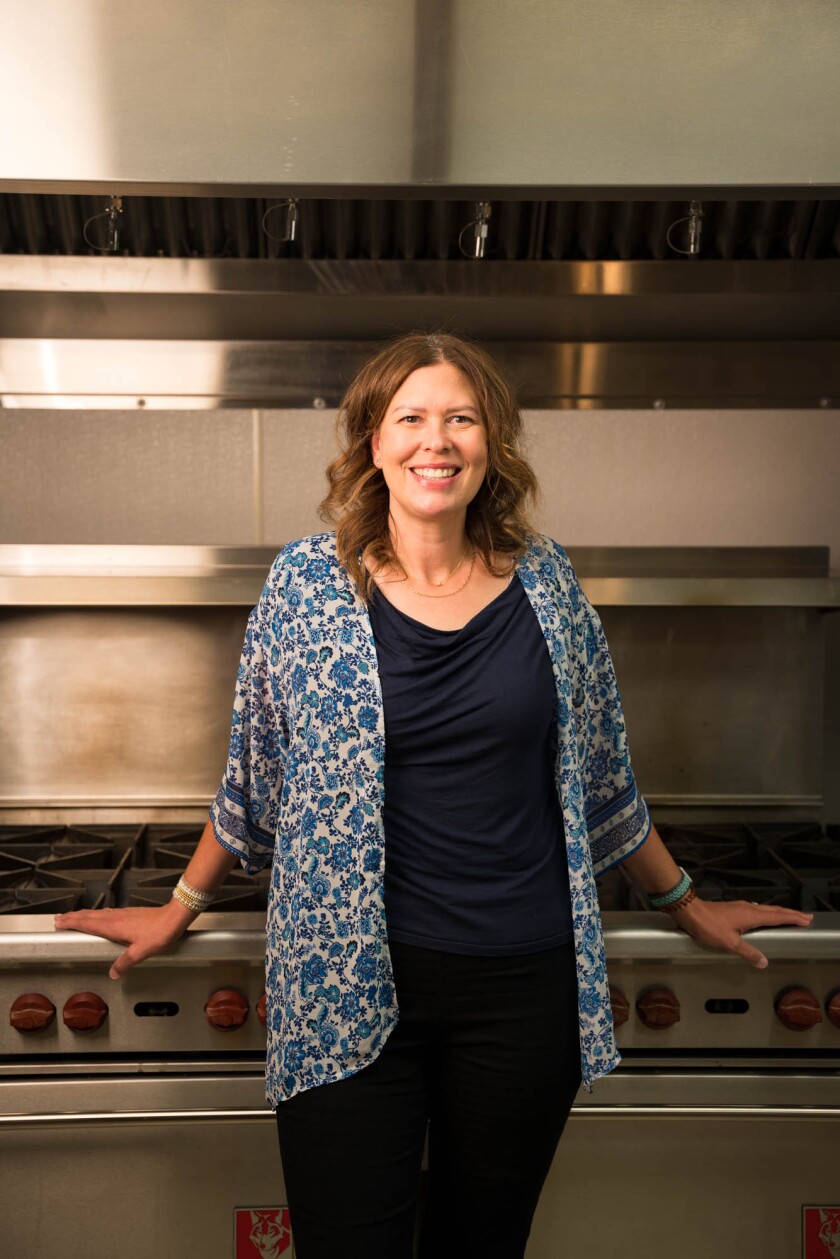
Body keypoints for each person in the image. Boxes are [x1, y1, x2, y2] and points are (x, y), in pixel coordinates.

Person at [55, 332, 814, 1259]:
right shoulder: (304, 586)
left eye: (461, 418)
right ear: (372, 442)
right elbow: (256, 780)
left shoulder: (549, 582)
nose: (436, 440)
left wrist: (684, 902)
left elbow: (602, 776)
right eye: (410, 418)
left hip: (521, 990)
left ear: (491, 442)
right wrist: (177, 904)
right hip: (343, 988)